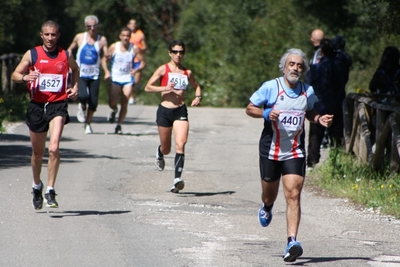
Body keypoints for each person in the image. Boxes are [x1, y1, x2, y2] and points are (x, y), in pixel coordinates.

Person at [245, 48, 333, 262]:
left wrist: (318, 119)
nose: (295, 68)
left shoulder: (307, 91)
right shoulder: (270, 87)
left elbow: (310, 111)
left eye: (300, 65)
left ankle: (292, 241)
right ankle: (267, 207)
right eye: (292, 64)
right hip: (270, 149)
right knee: (269, 193)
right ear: (284, 67)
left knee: (293, 194)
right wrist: (266, 113)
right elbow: (249, 108)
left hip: (295, 151)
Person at [11, 20, 79, 209]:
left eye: (54, 34)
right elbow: (14, 75)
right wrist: (25, 77)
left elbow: (75, 69)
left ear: (58, 36)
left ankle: (50, 189)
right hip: (37, 107)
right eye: (47, 35)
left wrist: (74, 87)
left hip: (58, 105)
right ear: (42, 35)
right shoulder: (33, 54)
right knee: (38, 153)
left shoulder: (65, 55)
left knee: (54, 148)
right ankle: (36, 185)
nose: (50, 38)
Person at [145, 40, 202, 193]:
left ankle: (176, 180)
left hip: (180, 111)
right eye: (175, 52)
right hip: (164, 111)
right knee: (167, 149)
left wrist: (198, 97)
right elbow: (147, 87)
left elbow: (196, 86)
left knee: (181, 144)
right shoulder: (163, 69)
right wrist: (164, 88)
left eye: (181, 52)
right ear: (170, 53)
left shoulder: (187, 72)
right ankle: (160, 152)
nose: (178, 55)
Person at [67, 15, 108, 134]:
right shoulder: (80, 37)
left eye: (94, 26)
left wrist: (107, 56)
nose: (92, 29)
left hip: (94, 74)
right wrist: (70, 62)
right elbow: (70, 49)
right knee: (83, 96)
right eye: (89, 26)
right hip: (81, 72)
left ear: (97, 26)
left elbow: (106, 53)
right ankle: (82, 106)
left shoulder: (101, 39)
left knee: (94, 102)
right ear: (86, 27)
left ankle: (88, 123)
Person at [306, 39, 343, 169]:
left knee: (315, 135)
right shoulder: (339, 67)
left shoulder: (316, 67)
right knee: (336, 135)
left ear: (321, 51)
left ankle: (312, 162)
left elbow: (308, 83)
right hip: (336, 104)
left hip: (319, 104)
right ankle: (337, 161)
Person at [102, 27, 145, 134]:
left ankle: (119, 125)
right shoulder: (114, 46)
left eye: (128, 36)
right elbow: (104, 60)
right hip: (115, 77)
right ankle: (114, 110)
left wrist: (136, 70)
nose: (125, 38)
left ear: (130, 37)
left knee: (124, 102)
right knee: (112, 102)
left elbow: (143, 63)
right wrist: (107, 72)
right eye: (124, 35)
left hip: (127, 79)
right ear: (120, 36)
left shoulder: (134, 48)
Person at [127, 19, 147, 105]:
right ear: (128, 25)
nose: (133, 25)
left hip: (138, 60)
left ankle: (133, 94)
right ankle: (130, 98)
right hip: (128, 60)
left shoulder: (140, 34)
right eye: (131, 24)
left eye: (135, 24)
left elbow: (145, 47)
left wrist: (138, 49)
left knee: (136, 81)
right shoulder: (126, 35)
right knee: (129, 81)